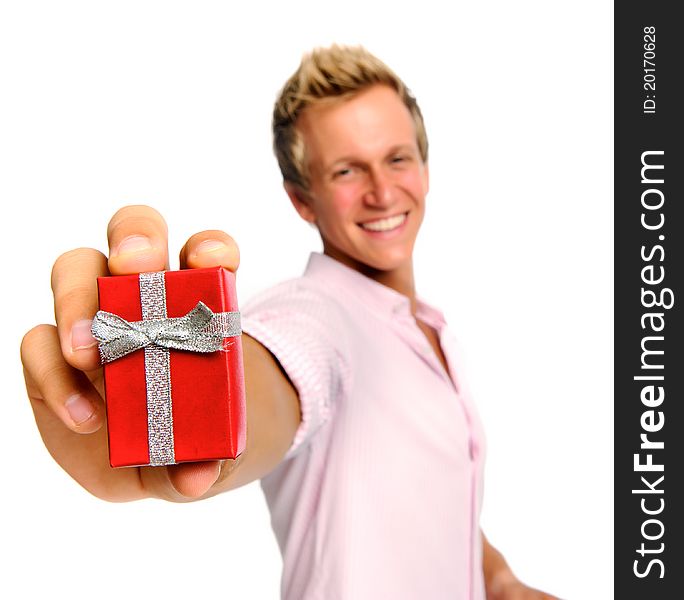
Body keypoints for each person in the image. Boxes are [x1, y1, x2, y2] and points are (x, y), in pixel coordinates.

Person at [20, 45, 555, 599]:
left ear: (424, 166)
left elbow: (434, 496)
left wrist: (499, 580)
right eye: (347, 169)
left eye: (397, 158)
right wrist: (181, 406)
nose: (382, 191)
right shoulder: (316, 317)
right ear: (303, 198)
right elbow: (277, 374)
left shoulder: (434, 331)